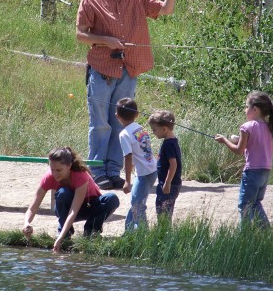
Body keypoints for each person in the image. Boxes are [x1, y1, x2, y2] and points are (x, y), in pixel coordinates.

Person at [76, 0, 178, 190]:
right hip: (101, 69)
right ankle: (98, 170)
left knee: (120, 122)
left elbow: (166, 9)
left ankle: (113, 170)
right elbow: (80, 35)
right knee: (100, 123)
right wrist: (106, 41)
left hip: (128, 69)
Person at [22, 147, 120, 253]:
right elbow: (33, 207)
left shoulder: (80, 175)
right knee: (63, 193)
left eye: (59, 170)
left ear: (69, 166)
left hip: (89, 207)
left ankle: (90, 233)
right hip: (65, 209)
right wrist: (26, 223)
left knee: (111, 198)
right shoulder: (49, 177)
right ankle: (65, 234)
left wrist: (59, 239)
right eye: (52, 169)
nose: (55, 174)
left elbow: (73, 212)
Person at [215, 91, 273, 228]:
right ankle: (265, 232)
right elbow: (256, 144)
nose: (245, 110)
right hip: (265, 172)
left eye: (246, 107)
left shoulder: (246, 127)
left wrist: (225, 141)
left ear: (255, 109)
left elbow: (239, 151)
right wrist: (238, 139)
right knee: (256, 203)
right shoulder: (270, 128)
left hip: (252, 172)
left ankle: (244, 236)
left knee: (244, 205)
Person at [115, 98, 157, 231]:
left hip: (144, 174)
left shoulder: (124, 134)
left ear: (117, 116)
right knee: (136, 201)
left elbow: (128, 157)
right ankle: (128, 232)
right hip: (153, 169)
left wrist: (127, 181)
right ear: (137, 114)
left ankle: (144, 233)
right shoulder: (141, 128)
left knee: (137, 205)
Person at [148, 110, 182, 222]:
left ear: (164, 129)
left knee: (163, 213)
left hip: (169, 185)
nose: (153, 132)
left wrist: (167, 183)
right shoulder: (172, 141)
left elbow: (173, 165)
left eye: (154, 130)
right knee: (163, 211)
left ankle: (163, 235)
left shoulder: (169, 144)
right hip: (169, 183)